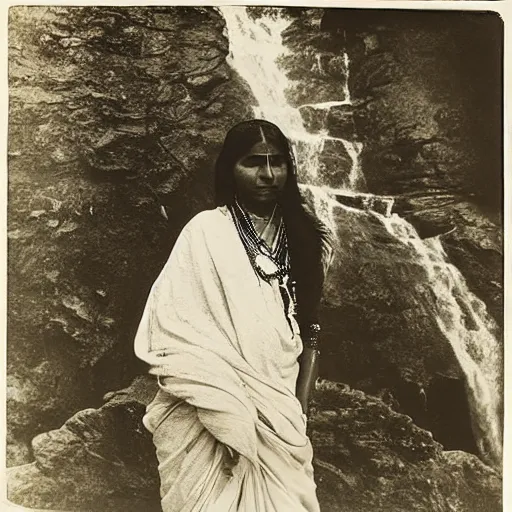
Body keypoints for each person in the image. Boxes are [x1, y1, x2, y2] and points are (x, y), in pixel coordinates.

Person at [134, 119, 334, 511]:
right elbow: (171, 326)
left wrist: (299, 407)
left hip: (280, 411)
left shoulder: (306, 237)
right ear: (230, 168)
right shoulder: (205, 232)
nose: (268, 174)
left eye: (278, 162)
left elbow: (310, 327)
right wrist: (226, 398)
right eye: (253, 163)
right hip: (208, 405)